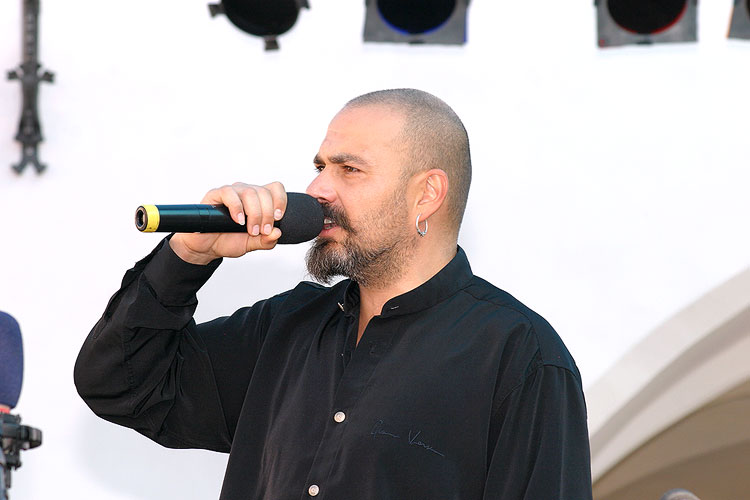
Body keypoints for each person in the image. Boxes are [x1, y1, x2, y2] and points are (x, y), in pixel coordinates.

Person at [74, 89, 593, 499]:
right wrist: (188, 254)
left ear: (427, 193)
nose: (319, 188)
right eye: (321, 166)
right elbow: (120, 385)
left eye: (349, 169)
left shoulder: (520, 356)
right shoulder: (287, 325)